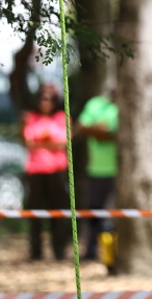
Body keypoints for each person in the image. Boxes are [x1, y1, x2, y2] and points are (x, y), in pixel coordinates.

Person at [22, 83, 70, 261]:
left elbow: (62, 142)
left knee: (57, 212)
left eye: (50, 98)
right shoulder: (31, 117)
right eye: (42, 98)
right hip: (35, 170)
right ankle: (35, 252)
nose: (45, 102)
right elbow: (28, 143)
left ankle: (59, 251)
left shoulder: (61, 117)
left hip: (56, 170)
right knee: (35, 213)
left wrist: (40, 143)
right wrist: (49, 143)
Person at [75, 87, 118, 261]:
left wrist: (93, 129)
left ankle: (111, 255)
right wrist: (98, 129)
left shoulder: (123, 109)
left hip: (117, 172)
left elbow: (110, 135)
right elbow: (80, 127)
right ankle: (92, 250)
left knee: (113, 217)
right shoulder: (95, 104)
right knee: (94, 212)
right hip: (96, 169)